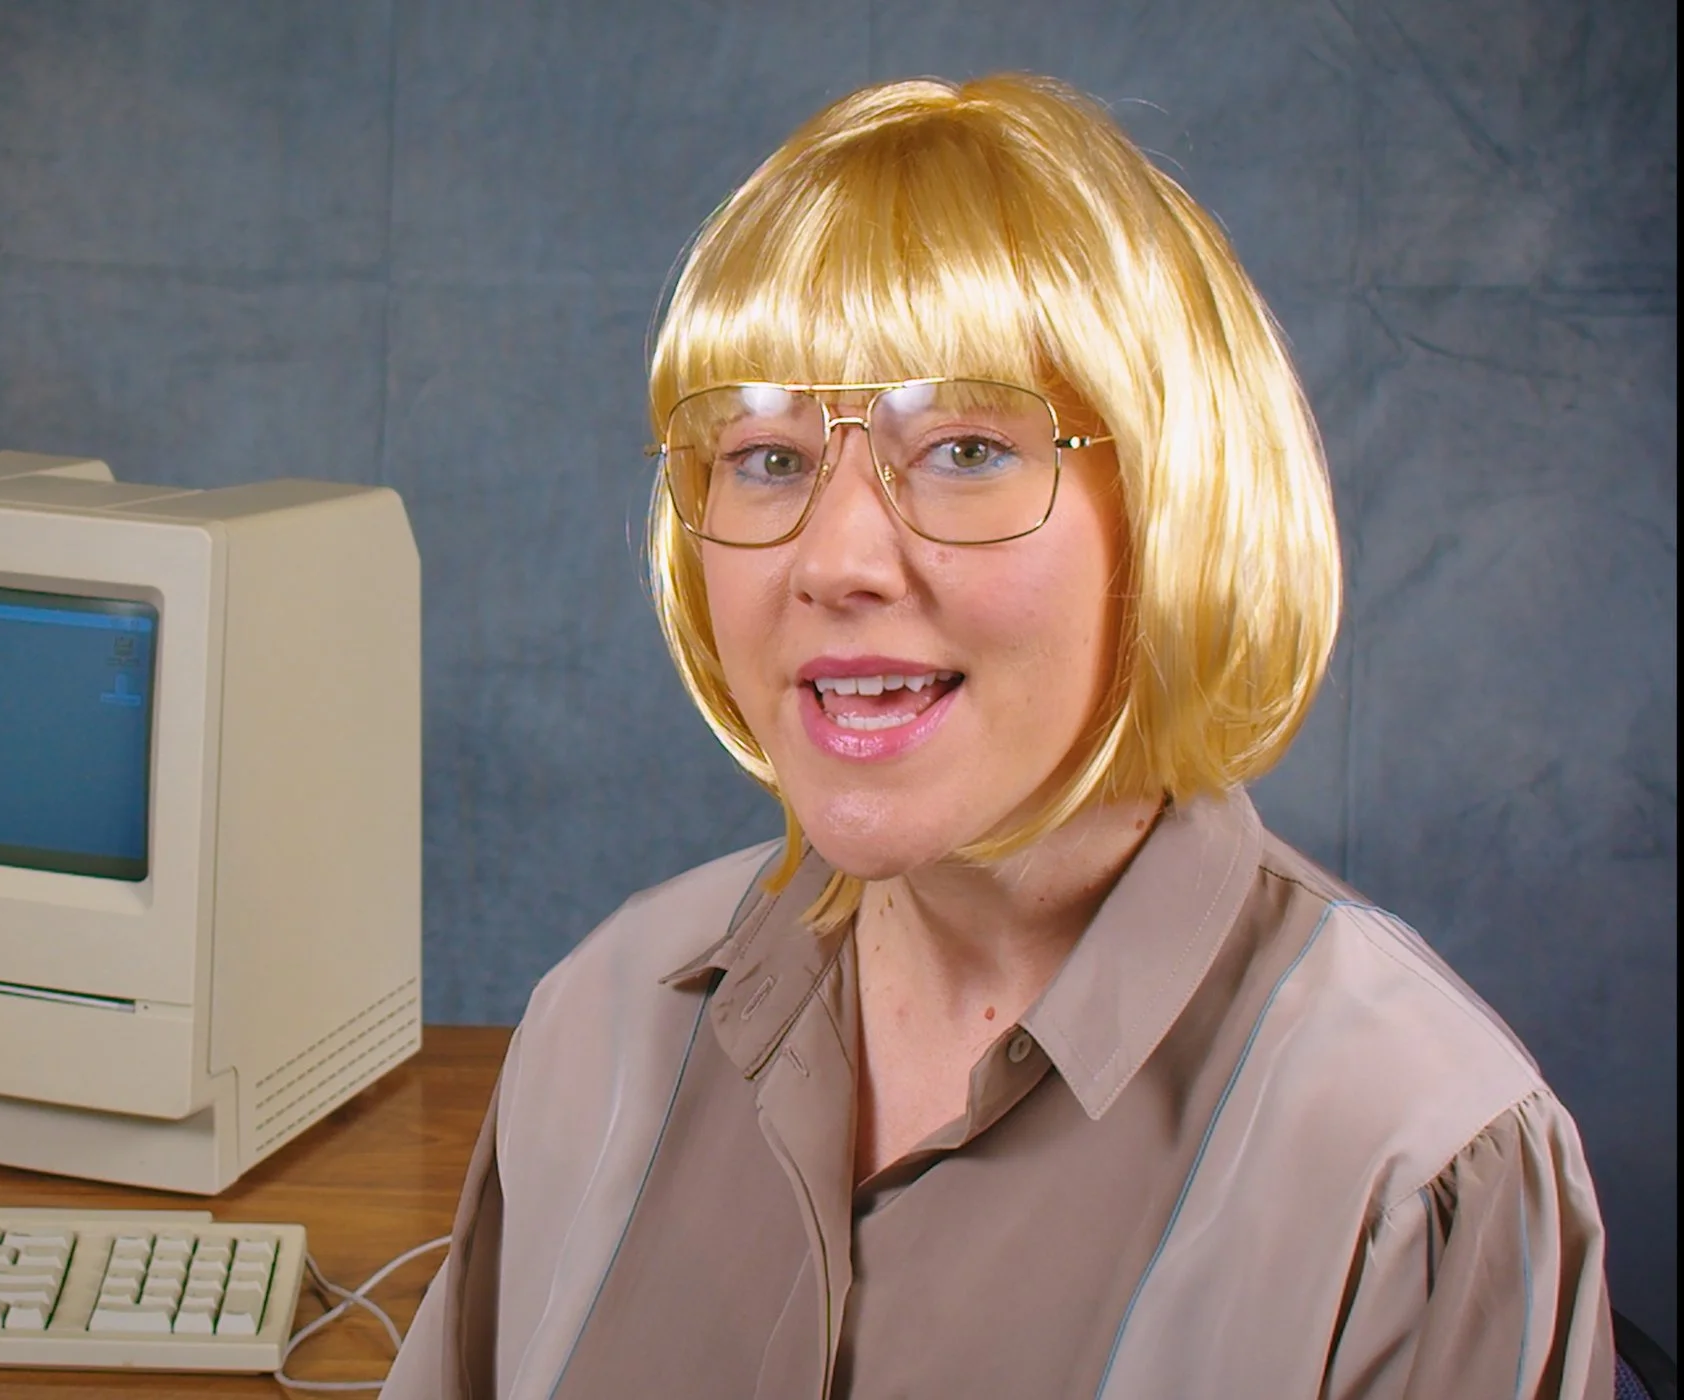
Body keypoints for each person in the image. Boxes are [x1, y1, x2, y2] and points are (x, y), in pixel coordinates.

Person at [381, 73, 1613, 1399]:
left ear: (1170, 510)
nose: (836, 559)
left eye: (966, 448)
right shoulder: (602, 1024)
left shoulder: (1415, 1167)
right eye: (768, 456)